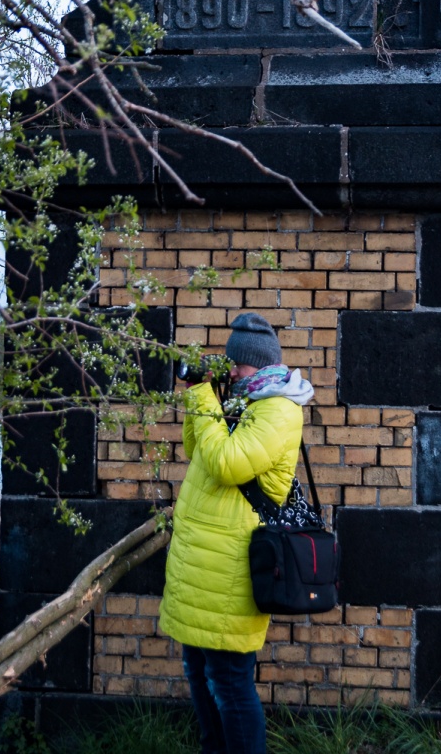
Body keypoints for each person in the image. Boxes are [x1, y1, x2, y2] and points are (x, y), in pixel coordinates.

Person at [159, 312, 314, 754]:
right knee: (198, 670)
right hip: (205, 564)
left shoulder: (278, 408)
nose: (231, 371)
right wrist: (199, 396)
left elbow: (228, 465)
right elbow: (198, 450)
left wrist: (205, 394)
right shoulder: (244, 400)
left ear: (258, 364)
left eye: (237, 365)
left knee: (228, 682)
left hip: (231, 569)